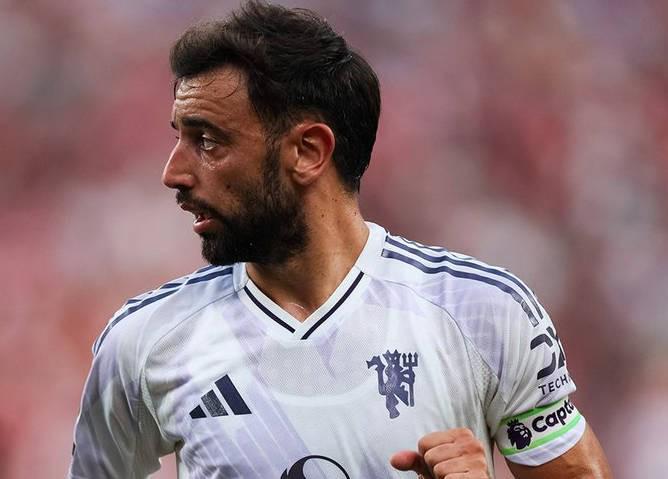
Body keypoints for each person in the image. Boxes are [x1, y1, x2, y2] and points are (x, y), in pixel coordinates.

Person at [68, 2, 612, 478]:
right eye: (179, 138)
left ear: (308, 151)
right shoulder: (144, 343)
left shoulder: (482, 313)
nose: (174, 173)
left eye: (208, 141)